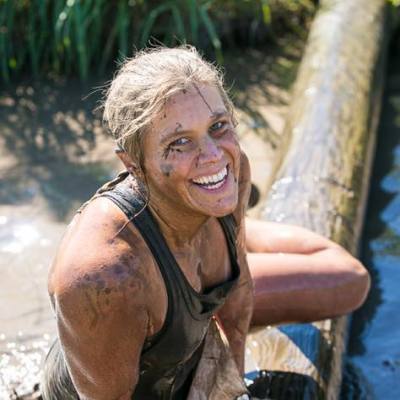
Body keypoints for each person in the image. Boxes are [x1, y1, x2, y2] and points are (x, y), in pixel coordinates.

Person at [41, 46, 370, 400]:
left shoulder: (232, 166)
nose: (213, 155)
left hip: (185, 347)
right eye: (180, 142)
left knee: (349, 282)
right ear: (133, 163)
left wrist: (231, 387)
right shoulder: (106, 277)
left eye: (218, 126)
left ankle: (226, 224)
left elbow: (240, 292)